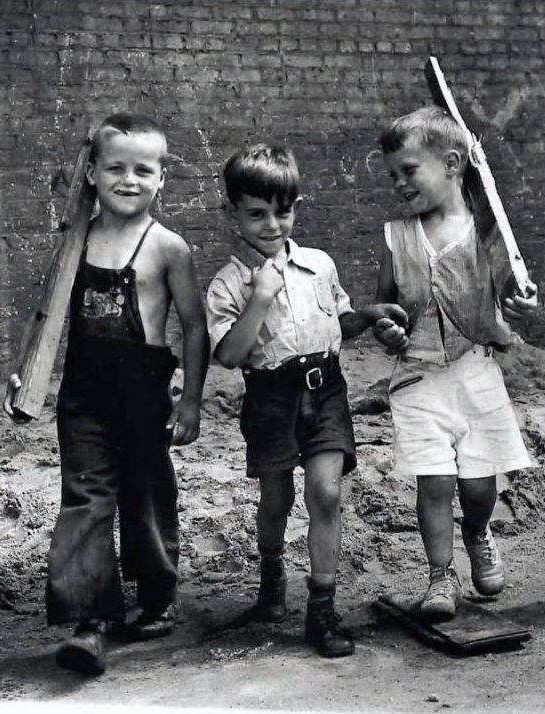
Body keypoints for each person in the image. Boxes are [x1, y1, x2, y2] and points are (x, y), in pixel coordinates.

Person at [3, 113, 209, 674]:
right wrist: (24, 374)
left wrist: (190, 399)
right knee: (86, 500)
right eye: (115, 167)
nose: (129, 179)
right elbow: (46, 316)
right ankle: (91, 620)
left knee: (146, 495)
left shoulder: (168, 247)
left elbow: (193, 326)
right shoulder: (76, 240)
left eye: (144, 170)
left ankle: (158, 594)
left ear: (162, 179)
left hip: (143, 390)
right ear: (91, 172)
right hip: (85, 393)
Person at [206, 143, 407, 657]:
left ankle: (321, 611)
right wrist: (260, 296)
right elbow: (229, 355)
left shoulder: (319, 264)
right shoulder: (228, 283)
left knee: (326, 492)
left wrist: (368, 313)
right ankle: (271, 584)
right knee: (277, 498)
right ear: (232, 213)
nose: (272, 224)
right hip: (271, 398)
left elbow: (337, 322)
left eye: (283, 211)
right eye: (256, 213)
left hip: (326, 389)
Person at [373, 106, 537, 620]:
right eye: (393, 174)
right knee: (435, 481)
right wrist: (387, 327)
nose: (399, 183)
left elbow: (514, 291)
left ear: (451, 163)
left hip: (475, 370)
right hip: (418, 375)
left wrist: (521, 301)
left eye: (408, 170)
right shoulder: (395, 237)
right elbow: (384, 307)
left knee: (478, 483)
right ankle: (439, 575)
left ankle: (477, 532)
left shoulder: (487, 232)